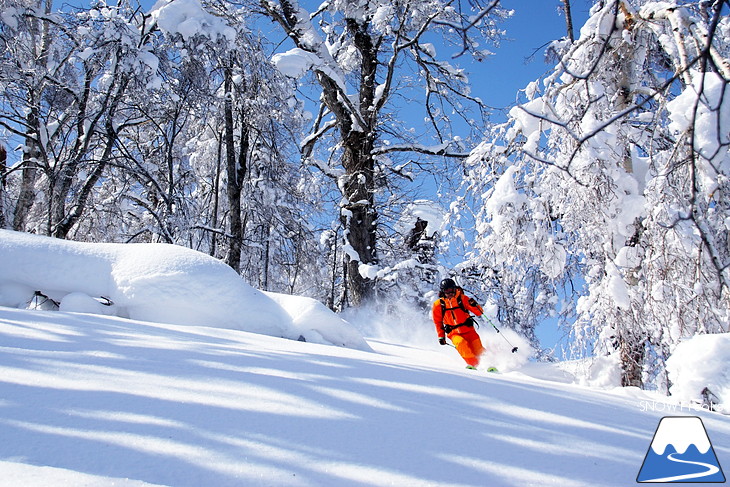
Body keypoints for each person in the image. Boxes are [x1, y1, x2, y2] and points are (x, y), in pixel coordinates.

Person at [432, 278, 485, 369]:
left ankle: (487, 364)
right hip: (454, 333)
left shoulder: (463, 299)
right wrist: (441, 336)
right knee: (461, 344)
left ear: (455, 288)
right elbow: (438, 322)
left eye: (451, 290)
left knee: (478, 350)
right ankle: (474, 365)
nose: (449, 293)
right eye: (447, 291)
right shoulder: (438, 305)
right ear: (443, 291)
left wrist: (474, 305)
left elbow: (479, 312)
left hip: (469, 331)